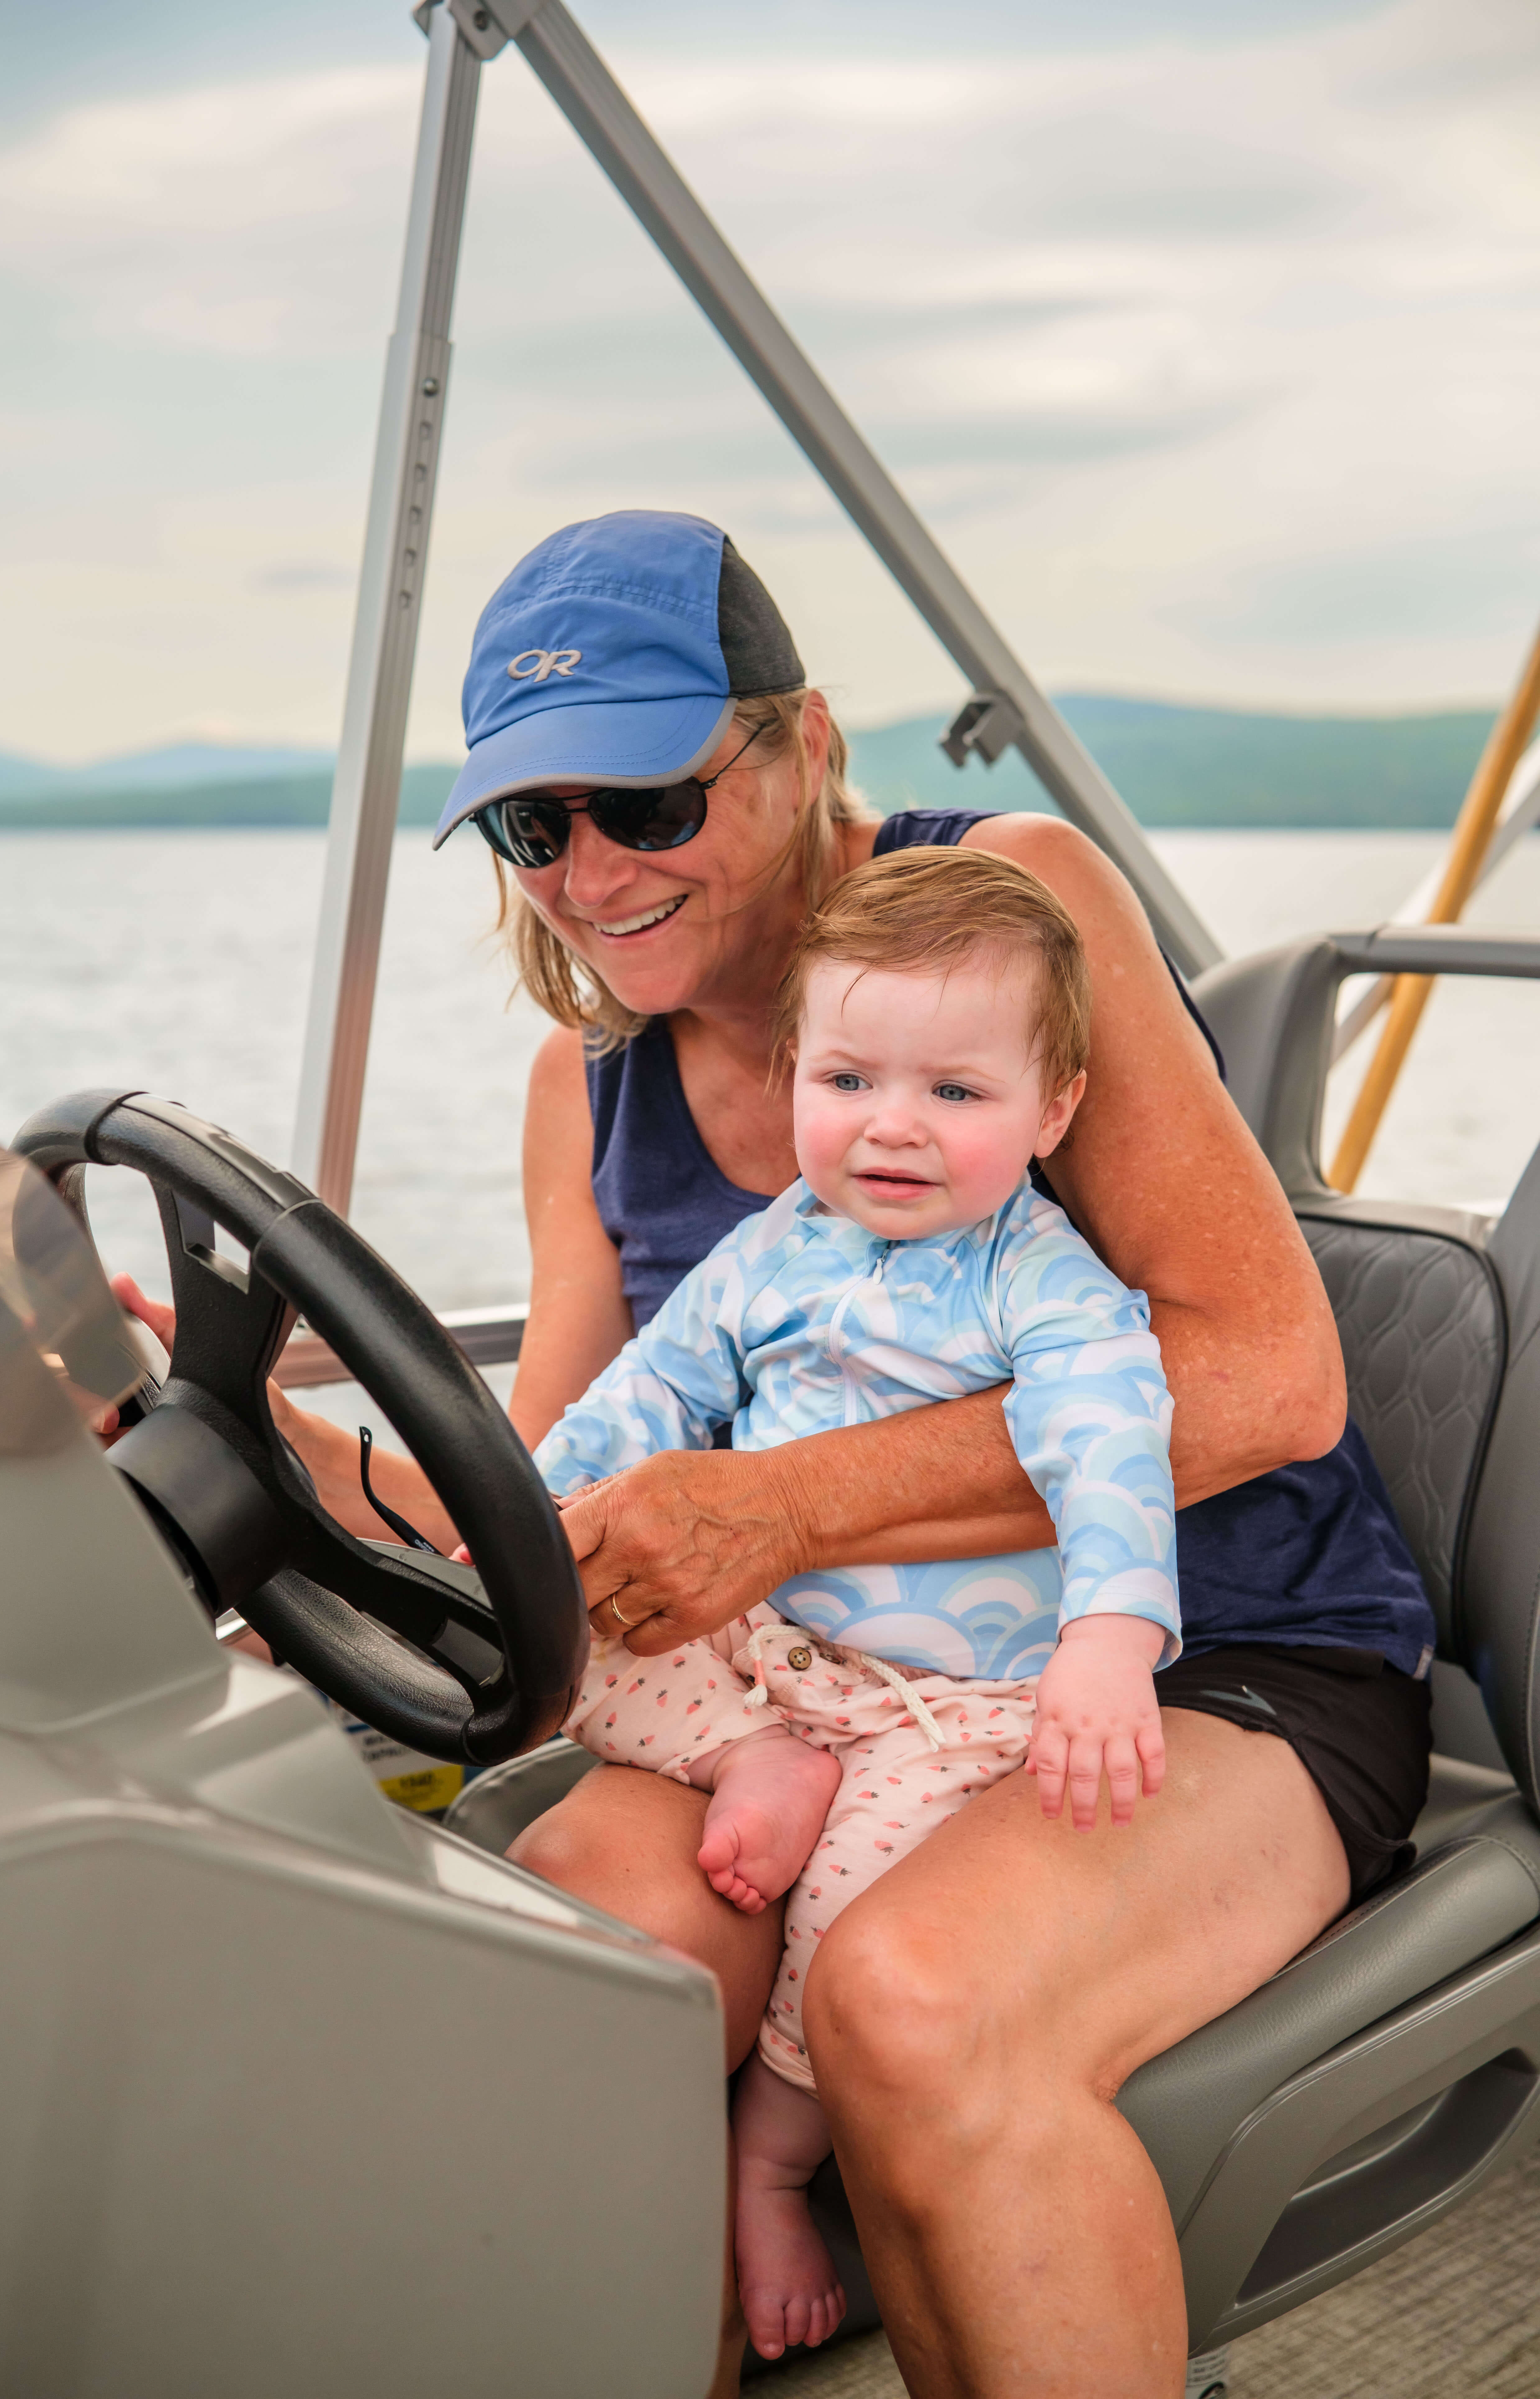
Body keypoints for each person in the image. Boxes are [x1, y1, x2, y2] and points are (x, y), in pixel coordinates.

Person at [169, 509, 1434, 2396]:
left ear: (805, 742)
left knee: (919, 2002)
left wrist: (778, 1506)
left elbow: (1268, 1382)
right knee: (580, 1961)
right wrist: (254, 1441)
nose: (591, 871)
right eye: (535, 827)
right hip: (818, 1688)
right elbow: (557, 1514)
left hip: (1194, 1650)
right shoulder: (582, 1091)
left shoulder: (1014, 905)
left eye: (648, 804)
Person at [536, 844, 1180, 2361]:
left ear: (1053, 1113)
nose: (893, 1126)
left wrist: (1109, 1638)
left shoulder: (1047, 1284)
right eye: (849, 1081)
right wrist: (547, 1527)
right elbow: (652, 1393)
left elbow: (1112, 1451)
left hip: (939, 1707)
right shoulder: (774, 1249)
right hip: (766, 1656)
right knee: (557, 1651)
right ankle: (744, 1760)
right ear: (799, 1078)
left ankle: (768, 2163)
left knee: (849, 1918)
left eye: (955, 1094)